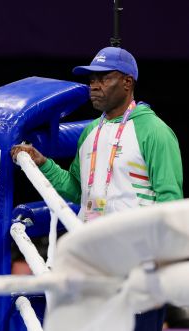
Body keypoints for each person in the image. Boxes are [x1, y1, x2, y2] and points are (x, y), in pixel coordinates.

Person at [11, 46, 183, 331]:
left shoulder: (155, 131)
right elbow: (77, 191)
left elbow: (170, 201)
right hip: (93, 262)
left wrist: (158, 266)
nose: (94, 85)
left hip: (136, 264)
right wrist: (43, 164)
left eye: (104, 78)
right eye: (92, 80)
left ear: (127, 82)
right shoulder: (90, 133)